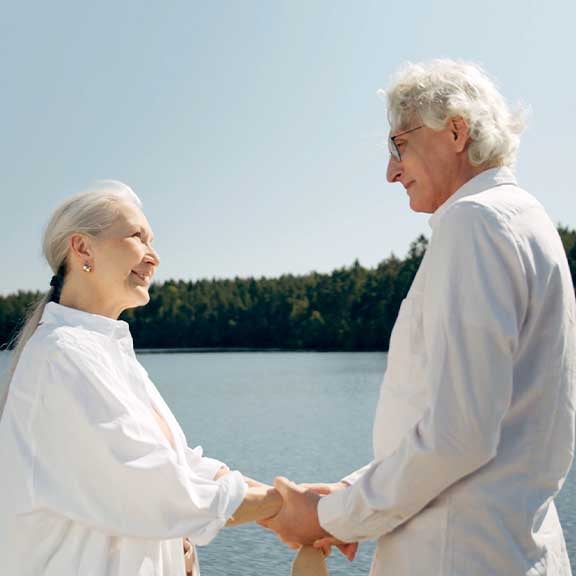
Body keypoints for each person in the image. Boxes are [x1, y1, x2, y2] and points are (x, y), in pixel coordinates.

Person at [264, 59, 576, 575]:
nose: (390, 170)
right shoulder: (527, 221)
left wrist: (331, 516)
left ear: (455, 131)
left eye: (398, 145)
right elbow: (470, 421)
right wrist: (351, 492)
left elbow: (459, 435)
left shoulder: (475, 223)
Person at [0, 182, 282, 576]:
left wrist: (280, 499)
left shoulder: (104, 352)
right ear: (82, 248)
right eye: (138, 237)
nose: (155, 257)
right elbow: (157, 488)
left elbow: (183, 466)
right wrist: (285, 509)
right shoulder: (61, 356)